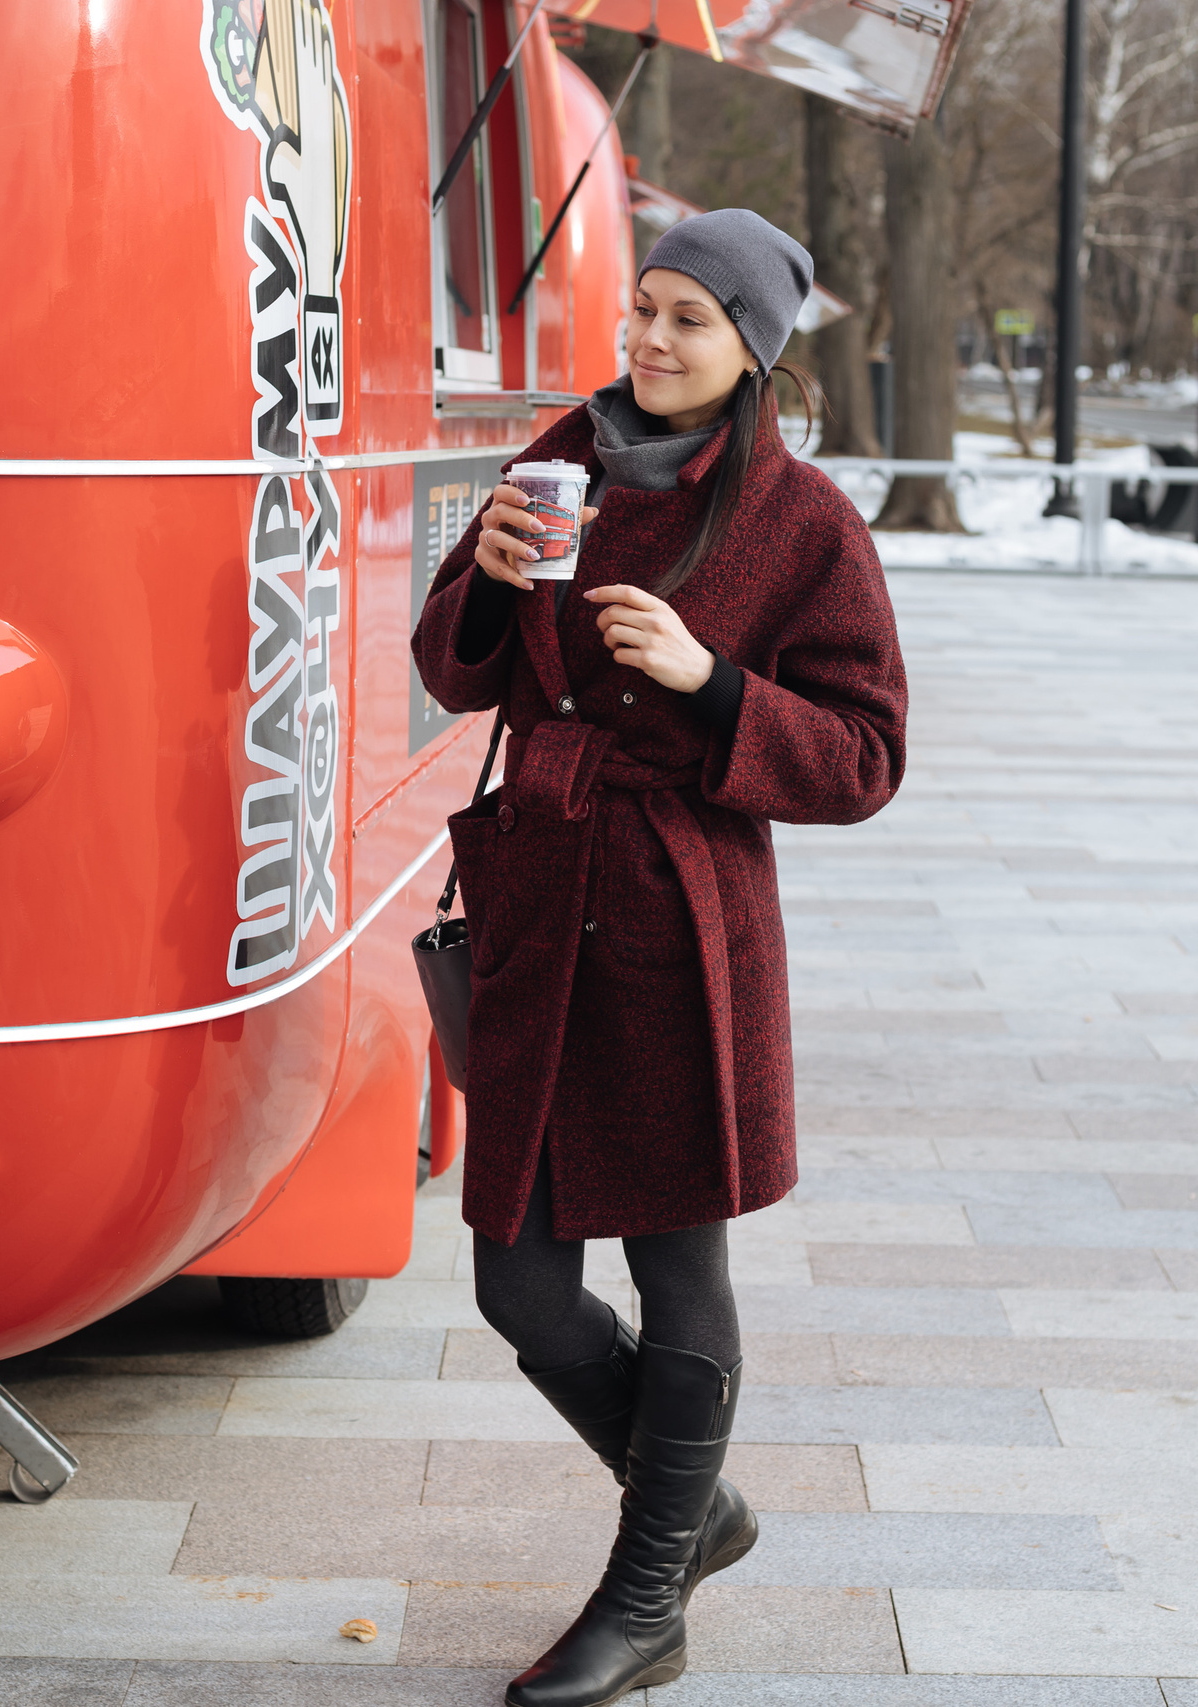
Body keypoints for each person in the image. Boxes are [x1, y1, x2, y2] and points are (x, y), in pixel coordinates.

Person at [411, 207, 908, 1707]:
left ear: (751, 348)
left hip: (681, 919)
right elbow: (448, 669)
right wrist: (489, 575)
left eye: (690, 319)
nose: (649, 339)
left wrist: (712, 685)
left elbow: (867, 753)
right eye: (642, 307)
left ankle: (645, 1600)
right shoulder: (544, 467)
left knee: (679, 1261)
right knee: (520, 1285)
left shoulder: (802, 520)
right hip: (536, 901)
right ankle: (696, 1507)